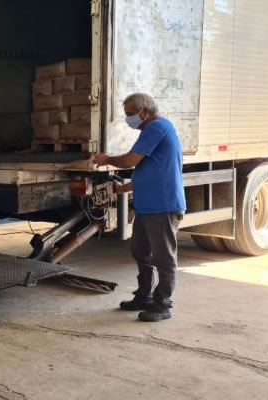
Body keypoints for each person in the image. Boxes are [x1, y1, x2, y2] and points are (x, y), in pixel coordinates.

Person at [94, 93, 185, 323]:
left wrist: (106, 159)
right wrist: (124, 188)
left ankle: (163, 304)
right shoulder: (152, 129)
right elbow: (149, 169)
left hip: (162, 205)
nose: (128, 119)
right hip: (148, 207)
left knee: (163, 257)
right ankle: (144, 296)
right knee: (140, 252)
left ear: (144, 111)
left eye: (130, 114)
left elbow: (130, 160)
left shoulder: (157, 126)